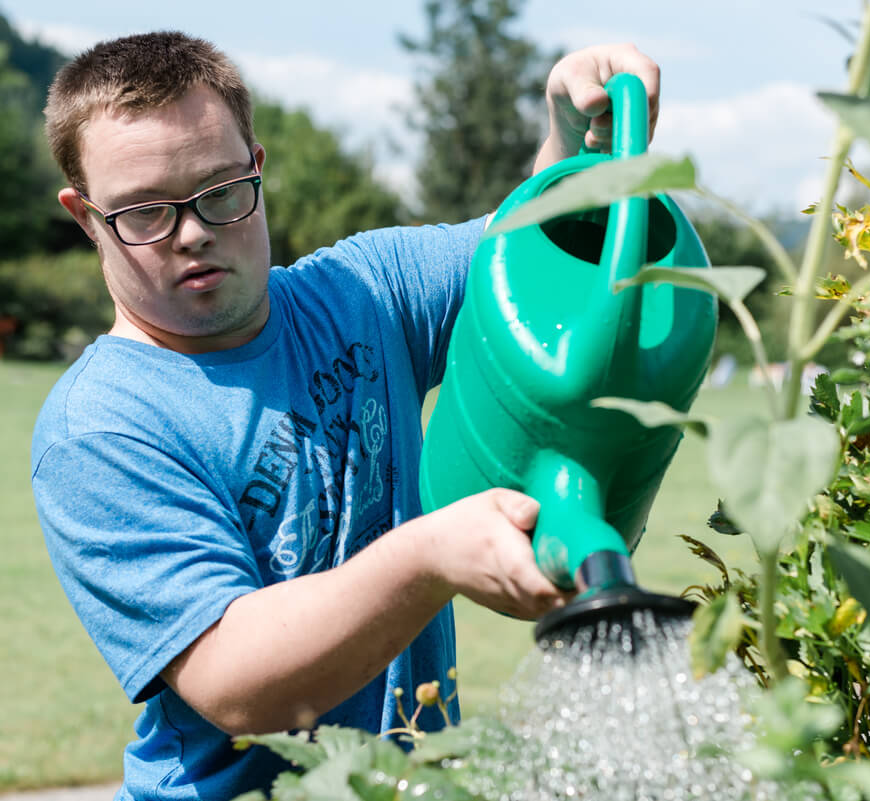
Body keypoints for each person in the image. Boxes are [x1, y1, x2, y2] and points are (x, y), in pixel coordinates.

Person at [29, 30, 660, 801]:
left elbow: (530, 265)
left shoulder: (362, 292)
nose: (192, 232)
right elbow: (238, 682)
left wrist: (566, 135)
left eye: (220, 191)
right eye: (145, 212)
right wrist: (430, 555)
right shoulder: (100, 428)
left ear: (257, 166)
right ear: (85, 215)